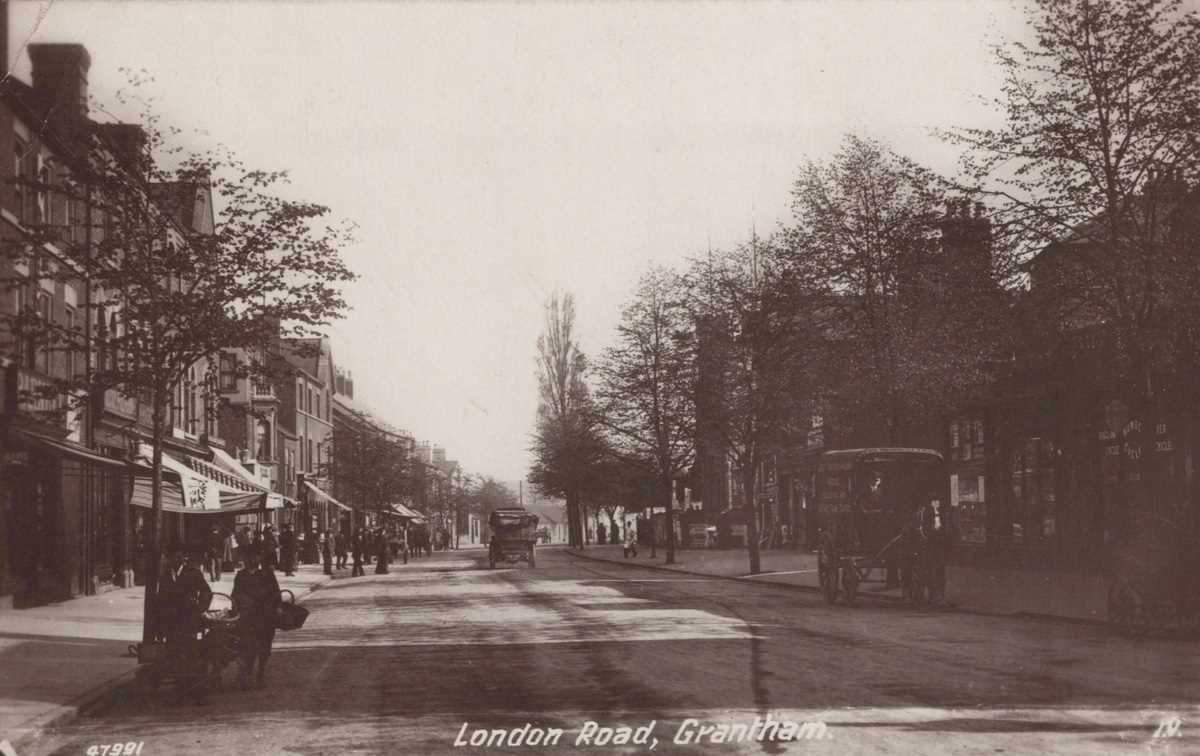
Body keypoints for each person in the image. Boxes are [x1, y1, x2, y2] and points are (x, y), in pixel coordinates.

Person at [156, 547, 213, 701]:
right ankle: (180, 687)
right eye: (173, 557)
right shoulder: (166, 576)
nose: (176, 560)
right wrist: (160, 625)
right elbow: (161, 599)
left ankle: (195, 689)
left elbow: (207, 592)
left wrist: (201, 610)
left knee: (191, 652)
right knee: (174, 652)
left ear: (183, 558)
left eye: (179, 557)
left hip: (189, 619)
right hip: (172, 621)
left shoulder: (193, 573)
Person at [231, 546, 281, 689]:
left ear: (259, 558)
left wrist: (275, 607)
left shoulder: (267, 574)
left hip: (265, 617)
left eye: (256, 556)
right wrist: (242, 603)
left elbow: (276, 593)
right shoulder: (241, 576)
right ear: (245, 560)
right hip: (248, 617)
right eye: (249, 557)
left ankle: (261, 672)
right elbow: (235, 594)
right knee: (248, 645)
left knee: (265, 647)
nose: (253, 560)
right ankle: (247, 673)